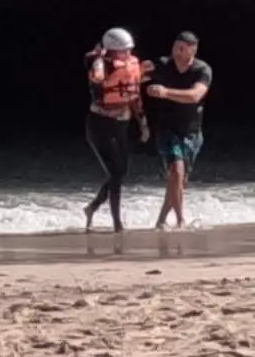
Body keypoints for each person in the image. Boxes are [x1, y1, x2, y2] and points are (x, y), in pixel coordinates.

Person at [143, 28, 213, 230]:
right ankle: (181, 220)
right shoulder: (163, 64)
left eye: (182, 48)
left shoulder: (202, 70)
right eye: (175, 47)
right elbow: (135, 75)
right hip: (166, 128)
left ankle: (161, 220)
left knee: (180, 180)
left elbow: (195, 96)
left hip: (192, 131)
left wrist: (165, 92)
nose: (176, 52)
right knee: (176, 169)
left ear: (193, 50)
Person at [78, 28, 145, 232]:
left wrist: (143, 123)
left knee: (121, 171)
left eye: (129, 50)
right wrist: (99, 59)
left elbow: (135, 97)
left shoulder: (131, 65)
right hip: (99, 125)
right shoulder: (101, 63)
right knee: (115, 173)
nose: (127, 54)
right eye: (122, 51)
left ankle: (92, 207)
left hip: (122, 123)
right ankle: (117, 224)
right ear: (111, 50)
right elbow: (97, 76)